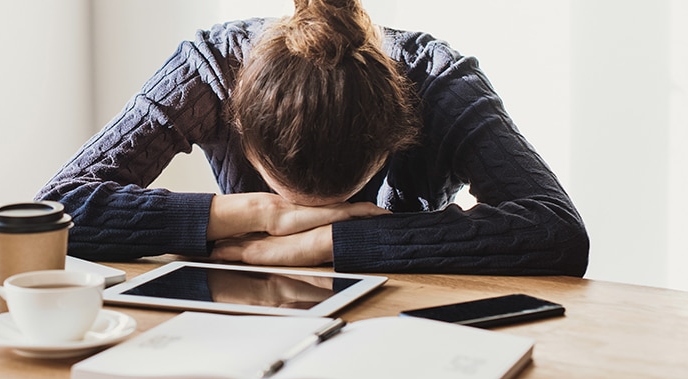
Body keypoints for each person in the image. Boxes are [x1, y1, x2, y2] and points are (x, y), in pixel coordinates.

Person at [36, 0, 589, 276]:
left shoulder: (437, 81)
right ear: (240, 124)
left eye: (340, 205)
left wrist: (325, 243)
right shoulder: (213, 70)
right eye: (301, 207)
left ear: (398, 132)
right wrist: (260, 214)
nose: (320, 215)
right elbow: (56, 207)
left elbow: (557, 230)